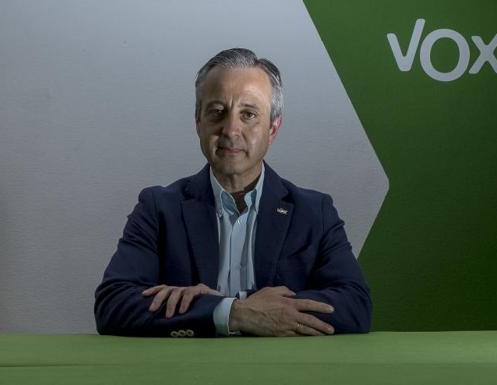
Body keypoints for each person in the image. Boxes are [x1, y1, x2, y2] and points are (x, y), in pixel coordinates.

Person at [94, 48, 371, 337]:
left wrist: (216, 305)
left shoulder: (314, 212)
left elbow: (355, 306)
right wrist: (232, 312)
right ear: (198, 122)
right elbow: (113, 305)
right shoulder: (158, 208)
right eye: (217, 112)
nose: (231, 129)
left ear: (273, 128)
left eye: (248, 114)